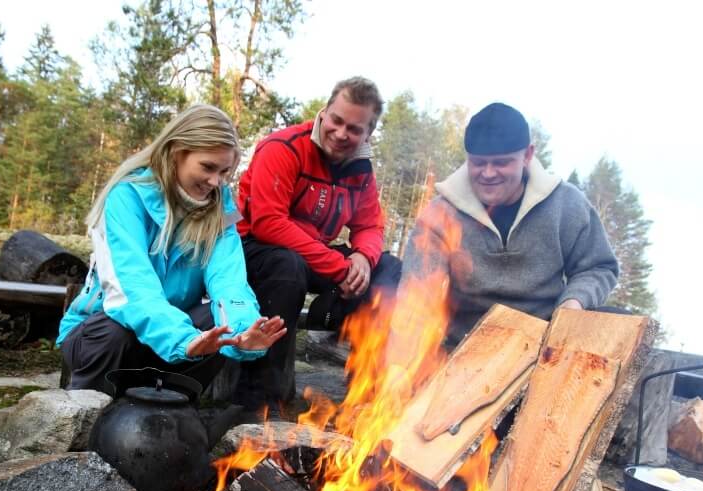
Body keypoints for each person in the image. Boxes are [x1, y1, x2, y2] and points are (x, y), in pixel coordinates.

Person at [57, 104, 286, 397]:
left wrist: (241, 333)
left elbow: (229, 281)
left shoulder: (220, 207)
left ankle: (172, 415)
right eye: (207, 167)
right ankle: (85, 414)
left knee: (219, 329)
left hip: (171, 337)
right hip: (101, 334)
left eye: (225, 171)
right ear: (177, 152)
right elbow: (132, 290)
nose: (216, 181)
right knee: (117, 330)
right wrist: (184, 339)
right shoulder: (126, 197)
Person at [234, 76, 402, 414]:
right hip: (253, 250)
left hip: (312, 255)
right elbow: (268, 223)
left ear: (367, 134)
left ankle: (363, 397)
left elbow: (370, 225)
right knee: (287, 265)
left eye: (354, 129)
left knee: (388, 268)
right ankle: (261, 403)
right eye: (336, 121)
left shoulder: (360, 170)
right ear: (324, 113)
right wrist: (340, 267)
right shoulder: (282, 147)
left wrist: (363, 260)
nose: (341, 134)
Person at [399, 102, 619, 348]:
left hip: (545, 344)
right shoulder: (441, 214)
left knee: (618, 320)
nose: (489, 173)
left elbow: (598, 267)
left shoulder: (566, 204)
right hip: (463, 346)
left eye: (501, 162)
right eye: (479, 163)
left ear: (527, 155)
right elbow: (416, 296)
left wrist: (574, 302)